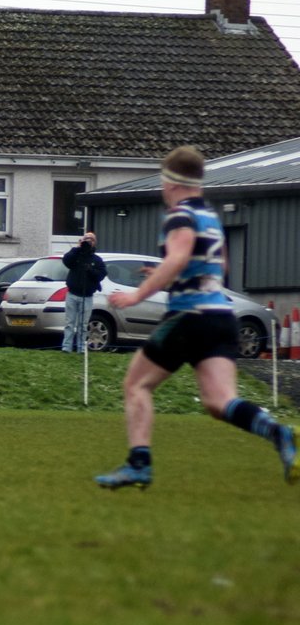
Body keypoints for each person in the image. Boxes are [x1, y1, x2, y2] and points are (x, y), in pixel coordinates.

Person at [95, 146, 296, 490]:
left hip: (190, 316)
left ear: (171, 182)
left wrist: (136, 295)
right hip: (221, 316)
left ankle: (139, 464)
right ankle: (278, 432)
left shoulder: (179, 215)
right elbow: (218, 268)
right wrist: (170, 274)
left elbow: (178, 257)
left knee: (136, 385)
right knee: (219, 401)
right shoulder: (211, 218)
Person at [61, 230, 106, 353]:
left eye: (91, 239)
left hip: (87, 296)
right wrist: (77, 248)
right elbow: (66, 261)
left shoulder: (97, 260)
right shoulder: (76, 255)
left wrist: (90, 270)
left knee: (83, 324)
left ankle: (81, 347)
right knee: (69, 323)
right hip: (72, 294)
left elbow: (101, 274)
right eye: (86, 238)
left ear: (94, 243)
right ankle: (66, 347)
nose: (88, 241)